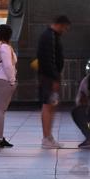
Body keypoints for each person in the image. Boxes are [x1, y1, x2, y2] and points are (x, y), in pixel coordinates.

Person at [37, 15, 71, 148]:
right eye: (65, 28)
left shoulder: (50, 36)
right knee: (48, 106)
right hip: (48, 77)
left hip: (48, 76)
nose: (65, 31)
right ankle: (46, 138)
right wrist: (55, 78)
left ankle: (48, 136)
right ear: (60, 25)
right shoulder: (50, 37)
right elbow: (49, 59)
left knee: (51, 106)